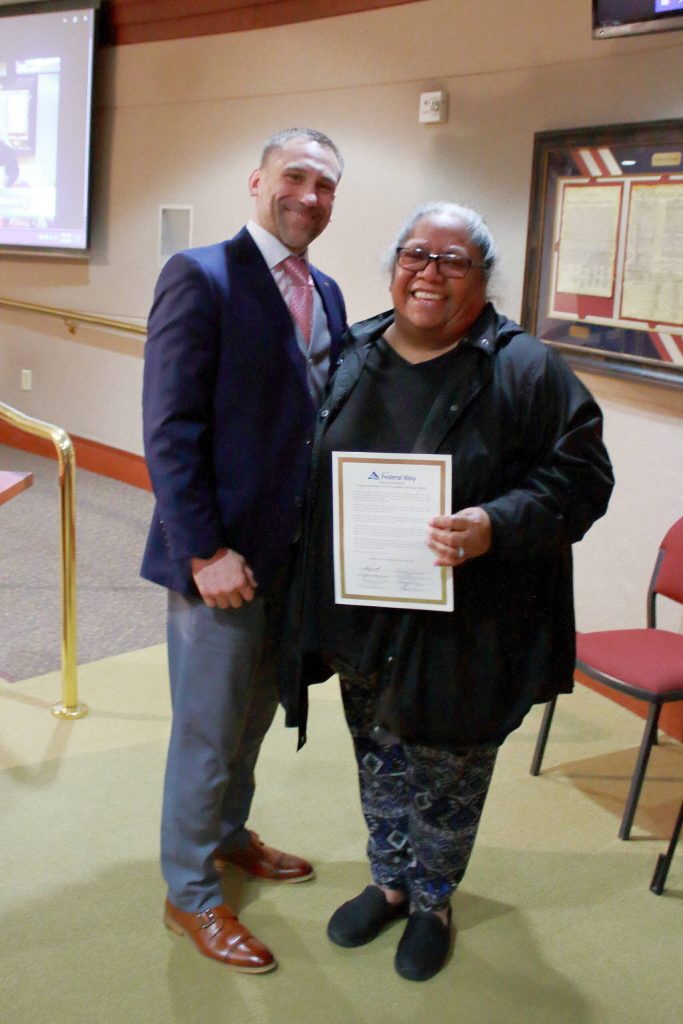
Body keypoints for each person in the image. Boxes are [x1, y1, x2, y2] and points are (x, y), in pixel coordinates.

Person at [286, 201, 614, 982]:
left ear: (482, 276)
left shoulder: (524, 368)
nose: (428, 273)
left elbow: (584, 478)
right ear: (394, 266)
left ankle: (432, 899)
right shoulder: (352, 351)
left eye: (452, 260)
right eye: (414, 255)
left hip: (468, 622)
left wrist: (495, 523)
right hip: (361, 610)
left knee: (450, 770)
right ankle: (389, 880)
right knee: (377, 756)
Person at [141, 128, 346, 973]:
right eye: (294, 176)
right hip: (218, 564)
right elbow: (169, 427)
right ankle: (189, 894)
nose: (309, 195)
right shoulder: (201, 274)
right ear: (258, 180)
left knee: (256, 713)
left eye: (326, 185)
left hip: (290, 559)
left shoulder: (327, 289)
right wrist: (202, 552)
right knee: (207, 727)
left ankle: (227, 835)